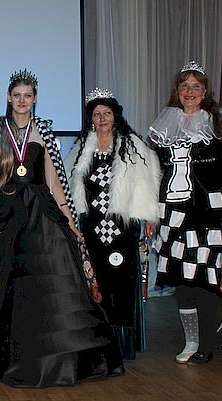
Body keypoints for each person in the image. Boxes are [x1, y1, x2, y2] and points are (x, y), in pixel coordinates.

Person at [0, 69, 124, 387]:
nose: (22, 100)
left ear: (35, 98)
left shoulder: (44, 130)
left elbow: (54, 180)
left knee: (50, 277)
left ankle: (58, 358)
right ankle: (13, 356)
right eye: (17, 95)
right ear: (9, 97)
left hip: (39, 211)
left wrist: (69, 220)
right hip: (6, 212)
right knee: (10, 284)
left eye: (27, 95)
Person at [148, 61, 222, 364]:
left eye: (196, 86)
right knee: (183, 280)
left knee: (207, 279)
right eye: (185, 86)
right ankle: (190, 342)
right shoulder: (164, 126)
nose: (190, 91)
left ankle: (207, 343)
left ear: (205, 91)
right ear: (177, 90)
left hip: (208, 213)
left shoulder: (218, 125)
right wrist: (151, 214)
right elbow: (155, 176)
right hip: (174, 215)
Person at [66, 88, 160, 359]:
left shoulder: (131, 144)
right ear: (91, 119)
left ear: (115, 115)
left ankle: (122, 343)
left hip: (123, 226)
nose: (102, 119)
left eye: (106, 113)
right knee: (95, 279)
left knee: (122, 280)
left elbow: (149, 180)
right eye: (97, 114)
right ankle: (98, 341)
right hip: (92, 225)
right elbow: (69, 184)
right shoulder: (81, 148)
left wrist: (149, 215)